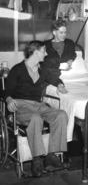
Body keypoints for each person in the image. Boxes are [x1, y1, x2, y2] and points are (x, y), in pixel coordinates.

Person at [5, 41, 68, 177]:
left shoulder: (41, 69)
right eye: (44, 51)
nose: (46, 54)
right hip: (21, 106)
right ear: (35, 52)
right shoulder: (18, 69)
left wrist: (60, 85)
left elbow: (54, 78)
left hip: (38, 105)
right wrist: (9, 99)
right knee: (35, 118)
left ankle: (51, 155)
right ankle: (37, 159)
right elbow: (6, 90)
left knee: (61, 115)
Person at [42, 19, 76, 88]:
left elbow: (73, 54)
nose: (64, 35)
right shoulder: (45, 45)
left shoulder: (70, 43)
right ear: (54, 32)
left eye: (65, 32)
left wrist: (71, 59)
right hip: (51, 75)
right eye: (61, 32)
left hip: (70, 76)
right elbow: (43, 63)